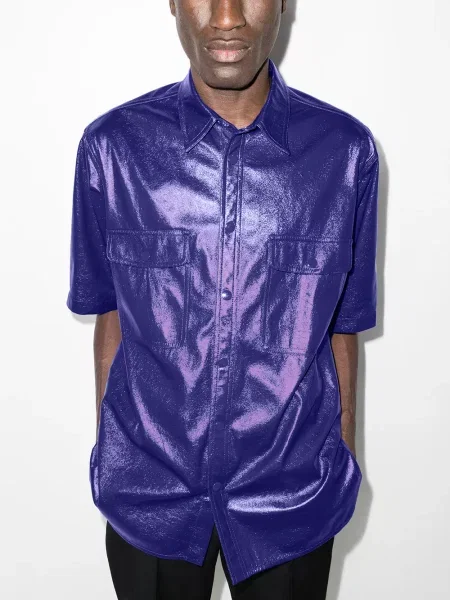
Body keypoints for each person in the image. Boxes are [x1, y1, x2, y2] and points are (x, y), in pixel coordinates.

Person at [66, 0, 378, 598]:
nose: (227, 16)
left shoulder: (343, 152)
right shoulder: (114, 148)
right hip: (150, 493)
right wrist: (114, 449)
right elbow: (110, 311)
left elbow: (344, 321)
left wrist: (342, 455)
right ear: (173, 4)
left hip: (291, 494)